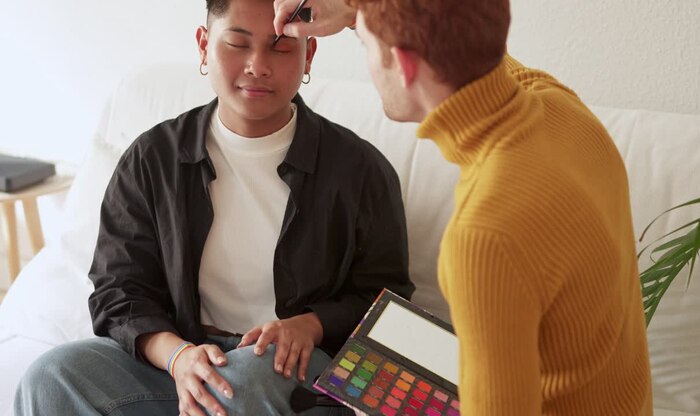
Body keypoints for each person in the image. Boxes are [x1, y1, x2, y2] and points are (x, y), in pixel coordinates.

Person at [14, 0, 413, 415]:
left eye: (280, 48)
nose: (257, 65)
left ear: (307, 54)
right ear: (204, 46)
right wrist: (178, 357)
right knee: (50, 377)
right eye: (237, 44)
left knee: (242, 380)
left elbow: (387, 298)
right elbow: (119, 290)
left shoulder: (358, 169)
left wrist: (309, 325)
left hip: (286, 367)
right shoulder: (153, 159)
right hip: (182, 358)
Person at [272, 0, 654, 414]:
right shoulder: (565, 111)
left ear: (404, 64)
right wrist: (360, 13)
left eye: (365, 44)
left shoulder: (484, 234)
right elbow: (480, 43)